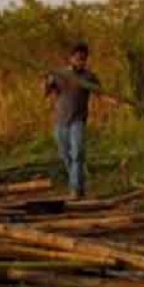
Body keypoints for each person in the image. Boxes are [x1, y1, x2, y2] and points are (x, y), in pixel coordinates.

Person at [45, 42, 100, 199]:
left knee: (77, 153)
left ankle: (75, 189)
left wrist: (114, 101)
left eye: (83, 59)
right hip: (60, 120)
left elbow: (100, 93)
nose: (80, 62)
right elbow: (48, 92)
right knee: (65, 154)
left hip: (78, 120)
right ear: (71, 58)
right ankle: (78, 184)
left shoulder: (89, 77)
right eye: (77, 58)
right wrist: (49, 82)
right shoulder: (60, 74)